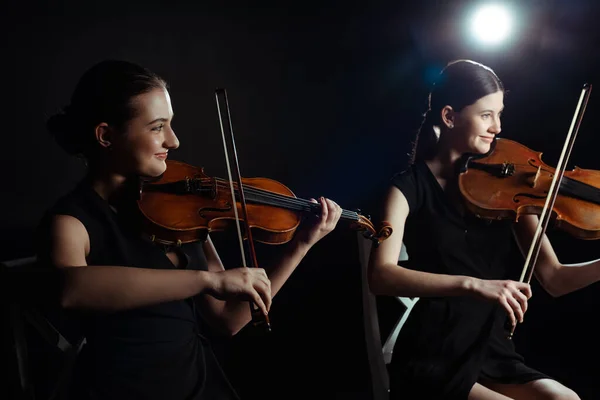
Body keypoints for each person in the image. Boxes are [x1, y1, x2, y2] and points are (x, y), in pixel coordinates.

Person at [35, 59, 342, 400]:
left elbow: (229, 319)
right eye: (157, 127)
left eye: (170, 125)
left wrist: (299, 245)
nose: (174, 140)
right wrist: (207, 280)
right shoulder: (72, 220)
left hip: (201, 387)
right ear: (106, 136)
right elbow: (71, 288)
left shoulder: (179, 212)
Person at [368, 59, 600, 400]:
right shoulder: (406, 188)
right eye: (486, 115)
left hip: (490, 346)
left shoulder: (506, 190)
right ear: (449, 117)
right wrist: (474, 285)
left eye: (500, 114)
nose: (498, 127)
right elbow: (381, 275)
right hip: (434, 350)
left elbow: (555, 278)